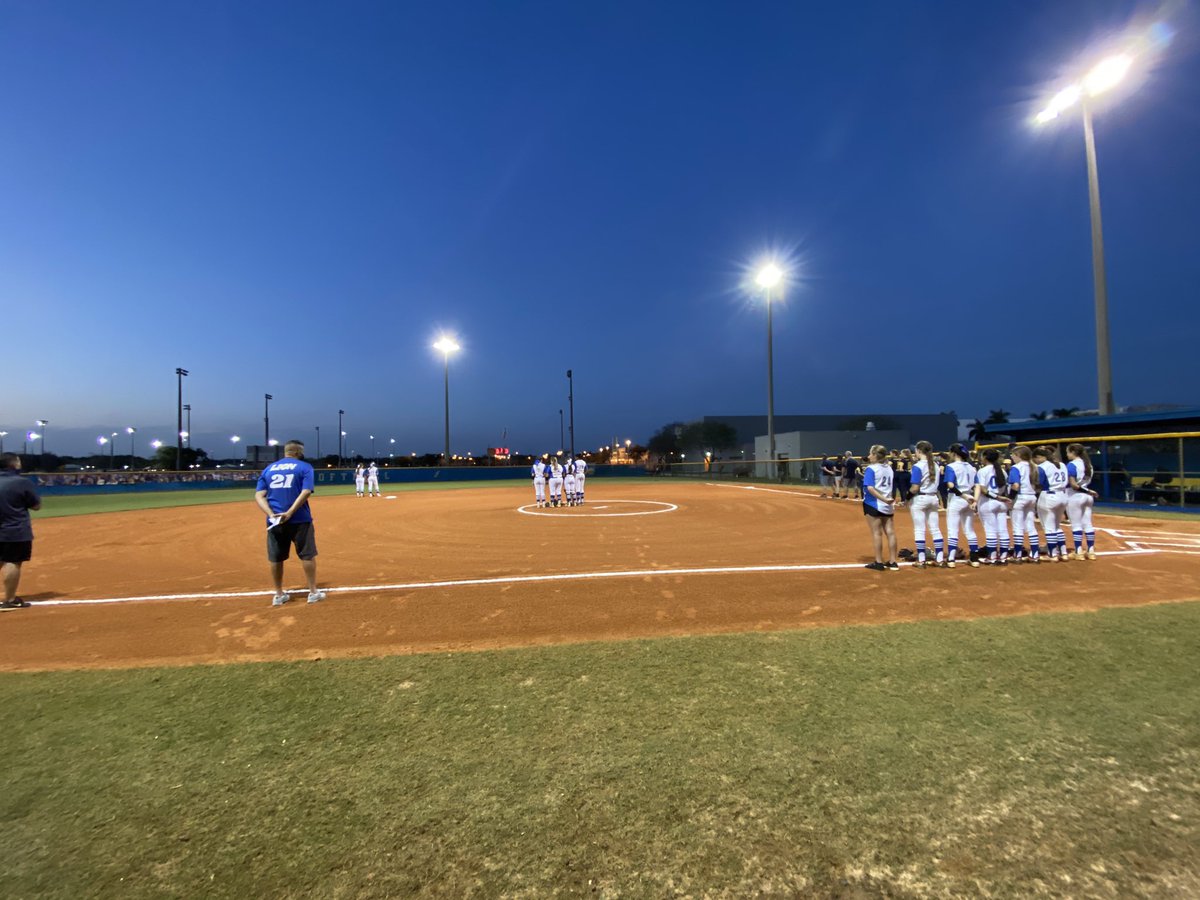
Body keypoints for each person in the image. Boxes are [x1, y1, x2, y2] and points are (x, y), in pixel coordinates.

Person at [255, 440, 326, 606]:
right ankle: (313, 592)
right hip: (300, 519)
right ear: (297, 452)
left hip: (275, 521)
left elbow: (259, 495)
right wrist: (290, 512)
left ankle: (278, 595)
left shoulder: (268, 469)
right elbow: (306, 491)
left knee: (276, 558)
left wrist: (272, 514)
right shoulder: (304, 467)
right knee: (307, 555)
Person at [0, 453, 40, 610]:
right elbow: (36, 506)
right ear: (13, 464)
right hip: (14, 529)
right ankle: (9, 600)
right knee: (13, 562)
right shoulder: (22, 482)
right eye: (18, 461)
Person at [862, 445, 899, 571]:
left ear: (875, 455)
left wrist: (883, 499)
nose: (869, 456)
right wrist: (888, 500)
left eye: (870, 454)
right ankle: (893, 561)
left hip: (874, 503)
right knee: (890, 532)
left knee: (876, 533)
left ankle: (879, 562)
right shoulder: (889, 468)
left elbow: (870, 488)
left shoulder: (871, 469)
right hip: (888, 504)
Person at [942, 444, 980, 568]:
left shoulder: (951, 466)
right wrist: (974, 501)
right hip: (970, 497)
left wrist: (963, 496)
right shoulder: (971, 467)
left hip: (957, 498)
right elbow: (977, 485)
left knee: (953, 530)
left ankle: (951, 559)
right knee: (969, 529)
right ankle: (974, 559)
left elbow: (950, 485)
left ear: (954, 454)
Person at [974, 448, 1012, 564]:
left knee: (990, 531)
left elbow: (983, 490)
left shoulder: (983, 471)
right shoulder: (1002, 471)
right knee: (1003, 530)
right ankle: (1004, 556)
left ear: (985, 457)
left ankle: (992, 557)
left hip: (988, 502)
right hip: (1001, 503)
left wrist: (996, 497)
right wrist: (1000, 498)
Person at [1033, 445, 1070, 562]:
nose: (1036, 461)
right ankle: (1063, 553)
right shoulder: (1062, 464)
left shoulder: (1043, 466)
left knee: (1049, 527)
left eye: (1036, 458)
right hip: (1063, 496)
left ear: (1040, 457)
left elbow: (1039, 483)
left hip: (1049, 496)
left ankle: (1053, 554)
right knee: (1057, 526)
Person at [1007, 445, 1040, 562]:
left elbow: (1015, 486)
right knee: (1030, 526)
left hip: (1020, 497)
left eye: (1013, 454)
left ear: (1019, 455)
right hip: (1032, 496)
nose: (1011, 457)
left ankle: (1018, 554)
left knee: (1018, 527)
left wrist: (1009, 499)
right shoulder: (1034, 467)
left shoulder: (1016, 467)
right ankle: (1035, 554)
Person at [1066, 443, 1098, 560]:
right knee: (1088, 524)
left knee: (1076, 525)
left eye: (1068, 452)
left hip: (1075, 496)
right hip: (1087, 497)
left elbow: (1073, 485)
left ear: (1073, 452)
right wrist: (1088, 490)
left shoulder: (1072, 465)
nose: (1067, 454)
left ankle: (1078, 551)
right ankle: (1091, 551)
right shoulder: (1088, 465)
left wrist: (1087, 490)